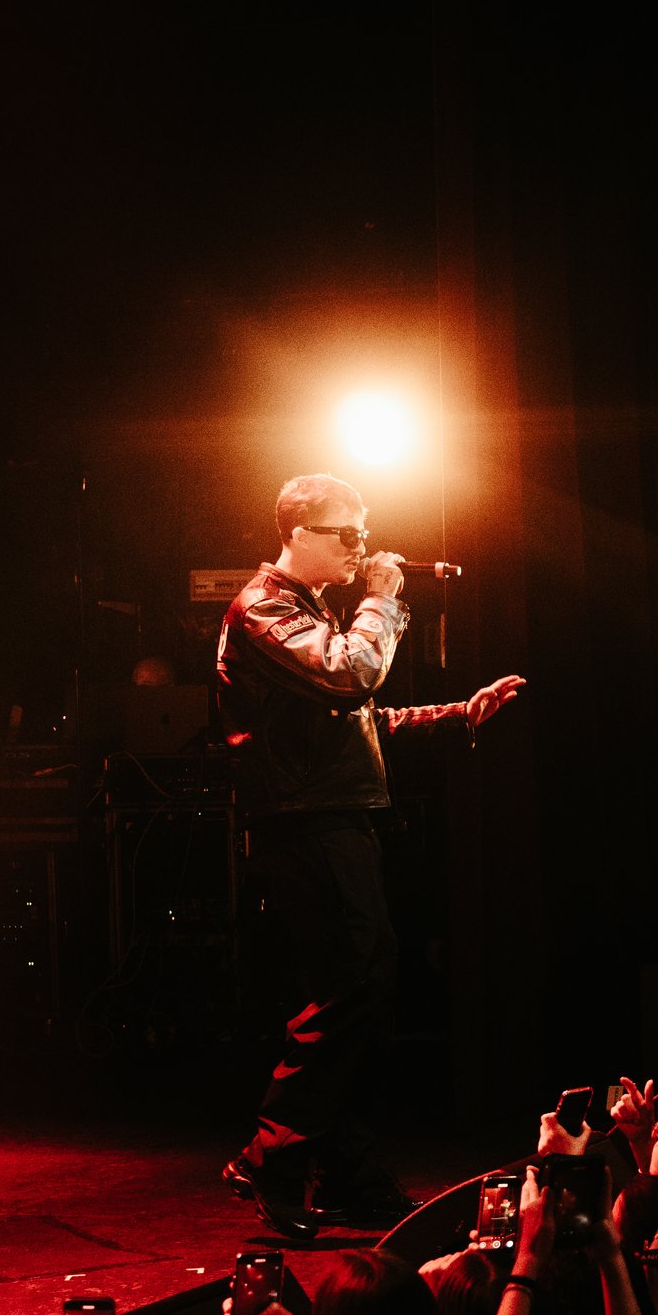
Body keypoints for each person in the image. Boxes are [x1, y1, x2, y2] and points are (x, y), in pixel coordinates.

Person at [216, 472, 527, 1237]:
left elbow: (361, 720)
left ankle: (345, 1172)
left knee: (362, 997)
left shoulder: (312, 613)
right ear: (297, 533)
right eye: (345, 533)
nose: (361, 546)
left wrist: (457, 714)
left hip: (333, 816)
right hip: (303, 824)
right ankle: (270, 1158)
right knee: (348, 992)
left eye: (364, 533)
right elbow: (352, 675)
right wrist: (384, 599)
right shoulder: (263, 607)